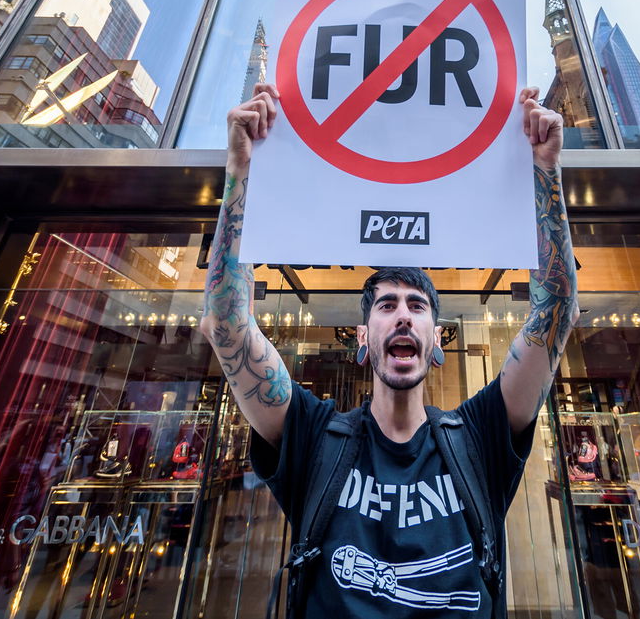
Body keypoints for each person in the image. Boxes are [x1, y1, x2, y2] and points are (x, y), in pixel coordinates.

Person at [200, 82, 578, 617]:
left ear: (437, 342)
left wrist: (546, 169)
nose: (403, 313)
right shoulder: (313, 436)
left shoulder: (479, 437)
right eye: (386, 306)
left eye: (418, 306)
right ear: (361, 338)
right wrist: (242, 173)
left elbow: (556, 315)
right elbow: (227, 324)